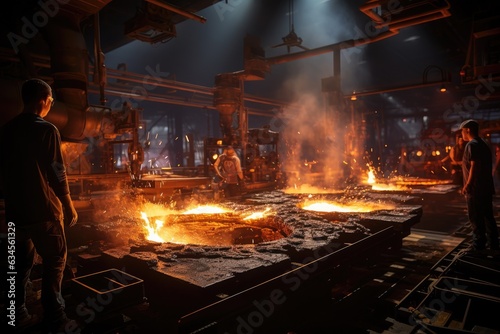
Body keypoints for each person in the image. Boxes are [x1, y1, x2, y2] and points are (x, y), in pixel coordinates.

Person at [0, 78, 78, 331]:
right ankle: (55, 317)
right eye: (51, 99)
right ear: (43, 100)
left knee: (17, 267)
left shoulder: (6, 130)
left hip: (15, 214)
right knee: (55, 262)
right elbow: (57, 171)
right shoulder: (47, 129)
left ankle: (15, 314)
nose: (51, 103)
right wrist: (68, 205)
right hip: (44, 213)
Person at [460, 119, 499, 251]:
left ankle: (478, 246)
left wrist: (468, 184)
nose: (462, 135)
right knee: (488, 217)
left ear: (468, 130)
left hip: (476, 189)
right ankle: (493, 243)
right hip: (486, 188)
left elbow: (475, 165)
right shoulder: (483, 144)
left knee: (476, 218)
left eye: (462, 131)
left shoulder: (472, 145)